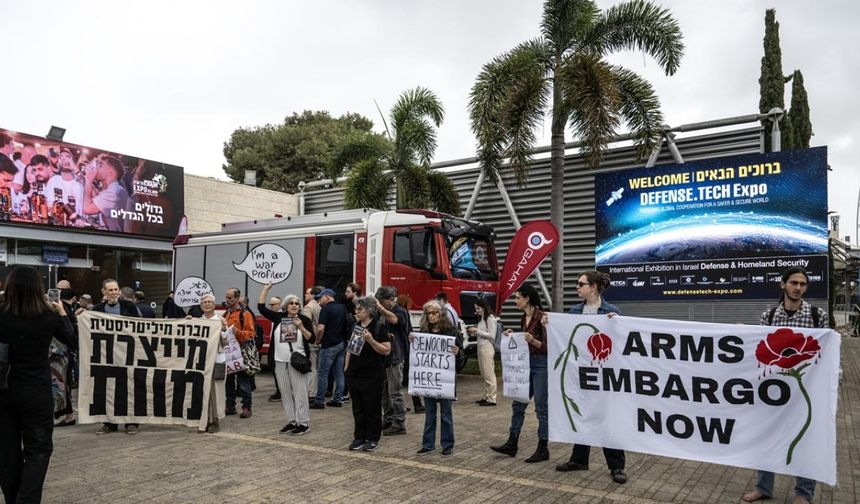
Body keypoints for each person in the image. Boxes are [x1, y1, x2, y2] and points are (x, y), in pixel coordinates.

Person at [742, 267, 827, 504]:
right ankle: (763, 488)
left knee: (805, 440)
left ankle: (803, 493)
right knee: (766, 437)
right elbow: (759, 351)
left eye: (803, 284)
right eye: (794, 283)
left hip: (805, 387)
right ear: (783, 285)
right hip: (774, 389)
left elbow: (827, 353)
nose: (798, 288)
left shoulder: (817, 315)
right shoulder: (769, 316)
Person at [0, 266, 73, 504]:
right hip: (36, 391)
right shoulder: (47, 316)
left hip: (4, 390)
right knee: (38, 451)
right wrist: (61, 311)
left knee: (6, 452)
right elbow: (71, 338)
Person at [553, 270, 628, 484]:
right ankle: (579, 459)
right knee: (582, 415)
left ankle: (616, 465)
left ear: (593, 287)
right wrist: (550, 323)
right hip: (581, 373)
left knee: (607, 419)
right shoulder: (574, 312)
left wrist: (618, 324)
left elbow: (623, 343)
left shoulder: (612, 312)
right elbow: (564, 336)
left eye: (580, 284)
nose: (577, 287)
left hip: (604, 375)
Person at [490, 284, 549, 463]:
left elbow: (549, 346)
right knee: (518, 404)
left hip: (540, 365)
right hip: (526, 364)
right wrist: (512, 335)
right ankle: (512, 442)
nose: (515, 301)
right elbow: (523, 341)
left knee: (541, 407)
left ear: (527, 298)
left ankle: (543, 448)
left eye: (518, 298)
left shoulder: (542, 317)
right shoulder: (524, 317)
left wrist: (533, 341)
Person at [258, 284, 313, 435]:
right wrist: (266, 289)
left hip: (297, 362)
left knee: (300, 393)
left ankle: (303, 423)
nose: (294, 305)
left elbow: (312, 339)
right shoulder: (279, 318)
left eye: (297, 303)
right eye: (291, 303)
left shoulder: (304, 319)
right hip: (280, 361)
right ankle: (292, 421)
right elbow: (261, 308)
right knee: (285, 393)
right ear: (285, 306)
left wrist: (301, 327)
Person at [92, 279, 142, 435]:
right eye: (110, 290)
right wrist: (81, 315)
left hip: (127, 355)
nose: (114, 293)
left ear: (119, 291)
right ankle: (110, 423)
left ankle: (131, 423)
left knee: (129, 388)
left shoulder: (129, 306)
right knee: (107, 389)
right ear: (104, 292)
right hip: (106, 356)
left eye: (116, 290)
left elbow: (139, 326)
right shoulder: (97, 309)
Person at [414, 300, 460, 457]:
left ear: (441, 314)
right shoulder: (424, 331)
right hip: (429, 379)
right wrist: (414, 342)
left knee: (446, 413)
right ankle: (428, 444)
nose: (431, 316)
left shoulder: (451, 331)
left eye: (434, 313)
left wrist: (457, 352)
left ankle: (447, 444)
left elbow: (461, 355)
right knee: (430, 413)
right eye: (429, 313)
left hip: (445, 379)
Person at [345, 296, 390, 452]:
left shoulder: (379, 327)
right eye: (356, 309)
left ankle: (372, 438)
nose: (356, 312)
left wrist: (371, 340)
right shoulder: (355, 326)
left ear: (369, 311)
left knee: (372, 407)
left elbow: (386, 350)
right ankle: (359, 437)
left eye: (360, 309)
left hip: (372, 374)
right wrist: (346, 367)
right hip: (354, 373)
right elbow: (350, 348)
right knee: (358, 408)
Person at [187, 294, 227, 433]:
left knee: (216, 392)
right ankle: (204, 420)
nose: (207, 304)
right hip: (202, 362)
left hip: (216, 361)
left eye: (210, 302)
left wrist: (224, 329)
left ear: (214, 305)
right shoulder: (198, 321)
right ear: (201, 305)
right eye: (205, 302)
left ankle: (215, 420)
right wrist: (187, 322)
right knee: (202, 391)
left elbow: (226, 342)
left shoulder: (220, 321)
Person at [376, 286, 409, 436]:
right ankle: (388, 418)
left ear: (390, 300)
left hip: (396, 356)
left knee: (395, 391)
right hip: (383, 356)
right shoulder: (380, 312)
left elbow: (395, 320)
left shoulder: (400, 311)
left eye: (383, 302)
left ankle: (399, 422)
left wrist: (380, 308)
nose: (381, 304)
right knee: (384, 391)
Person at [311, 288, 348, 409]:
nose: (319, 300)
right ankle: (337, 399)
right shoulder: (343, 308)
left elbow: (320, 328)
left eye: (320, 297)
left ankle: (319, 401)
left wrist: (318, 340)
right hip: (341, 344)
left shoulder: (325, 309)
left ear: (327, 297)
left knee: (323, 373)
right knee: (339, 373)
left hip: (328, 345)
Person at [223, 287, 256, 418]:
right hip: (229, 352)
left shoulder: (245, 314)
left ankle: (247, 407)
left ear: (237, 298)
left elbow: (251, 334)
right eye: (227, 297)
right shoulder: (226, 314)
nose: (227, 300)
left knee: (243, 382)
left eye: (230, 297)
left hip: (241, 352)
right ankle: (230, 406)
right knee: (229, 382)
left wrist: (238, 333)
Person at [82, 154, 129, 232]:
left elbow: (87, 209)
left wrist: (88, 180)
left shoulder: (115, 191)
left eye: (101, 165)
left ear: (111, 173)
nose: (97, 168)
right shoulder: (111, 190)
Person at [398, 294, 424, 414]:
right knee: (411, 378)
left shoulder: (399, 313)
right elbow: (408, 331)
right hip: (406, 350)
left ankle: (401, 404)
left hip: (401, 350)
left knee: (400, 380)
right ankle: (417, 404)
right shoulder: (405, 314)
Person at [468, 298, 498, 406]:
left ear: (484, 307)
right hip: (481, 347)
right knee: (484, 374)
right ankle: (487, 396)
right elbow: (482, 333)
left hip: (487, 348)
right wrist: (474, 332)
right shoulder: (482, 319)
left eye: (478, 308)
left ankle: (492, 398)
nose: (477, 311)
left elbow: (492, 335)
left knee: (489, 374)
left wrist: (477, 331)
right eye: (476, 309)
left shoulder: (490, 318)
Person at [302, 286, 323, 401]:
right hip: (321, 341)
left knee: (312, 368)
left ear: (313, 295)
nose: (305, 295)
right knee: (319, 368)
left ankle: (311, 393)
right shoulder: (320, 306)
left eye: (307, 293)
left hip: (312, 341)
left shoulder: (309, 307)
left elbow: (306, 323)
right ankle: (318, 391)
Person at [263, 295, 284, 402]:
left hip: (278, 348)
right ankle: (279, 390)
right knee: (274, 368)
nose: (271, 306)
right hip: (274, 346)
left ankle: (281, 392)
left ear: (279, 305)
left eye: (273, 304)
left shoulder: (280, 316)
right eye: (270, 304)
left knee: (277, 370)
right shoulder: (274, 316)